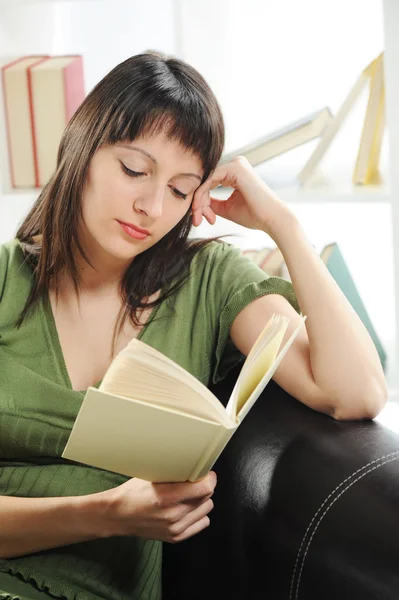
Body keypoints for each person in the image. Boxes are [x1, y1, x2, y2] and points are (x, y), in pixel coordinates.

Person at [0, 50, 387, 600]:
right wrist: (106, 513)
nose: (152, 206)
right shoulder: (4, 279)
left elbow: (356, 392)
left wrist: (285, 225)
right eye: (135, 170)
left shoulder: (208, 280)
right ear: (82, 148)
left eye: (182, 190)